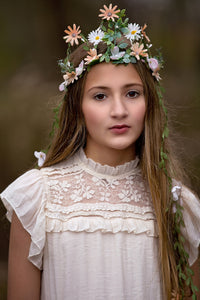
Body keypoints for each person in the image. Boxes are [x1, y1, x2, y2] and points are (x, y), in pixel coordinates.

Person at [1, 4, 200, 300]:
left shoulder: (176, 205)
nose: (119, 111)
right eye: (100, 96)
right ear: (78, 108)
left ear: (149, 104)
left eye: (132, 93)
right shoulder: (37, 197)